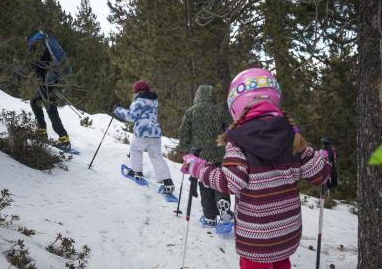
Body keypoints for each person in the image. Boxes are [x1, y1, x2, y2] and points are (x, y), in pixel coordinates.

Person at [181, 68, 332, 269]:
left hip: (255, 237)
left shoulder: (238, 140)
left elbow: (231, 183)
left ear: (235, 104)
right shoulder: (292, 135)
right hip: (286, 233)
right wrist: (323, 157)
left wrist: (198, 167)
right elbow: (319, 173)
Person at [179, 85, 233, 227]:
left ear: (197, 95)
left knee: (205, 184)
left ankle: (210, 217)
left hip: (199, 155)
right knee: (220, 181)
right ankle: (223, 203)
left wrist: (186, 151)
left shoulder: (190, 112)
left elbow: (184, 133)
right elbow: (230, 129)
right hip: (220, 154)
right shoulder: (221, 111)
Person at [113, 80, 175, 194]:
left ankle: (137, 172)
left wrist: (118, 110)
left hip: (142, 132)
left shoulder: (139, 101)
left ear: (137, 91)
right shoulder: (154, 100)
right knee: (156, 156)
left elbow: (132, 117)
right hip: (155, 133)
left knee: (135, 149)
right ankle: (168, 182)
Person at [27, 31, 70, 149]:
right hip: (52, 77)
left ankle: (63, 139)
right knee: (38, 102)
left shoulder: (47, 38)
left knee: (47, 105)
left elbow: (32, 42)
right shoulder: (50, 42)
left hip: (51, 78)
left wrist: (30, 42)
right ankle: (57, 136)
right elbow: (44, 61)